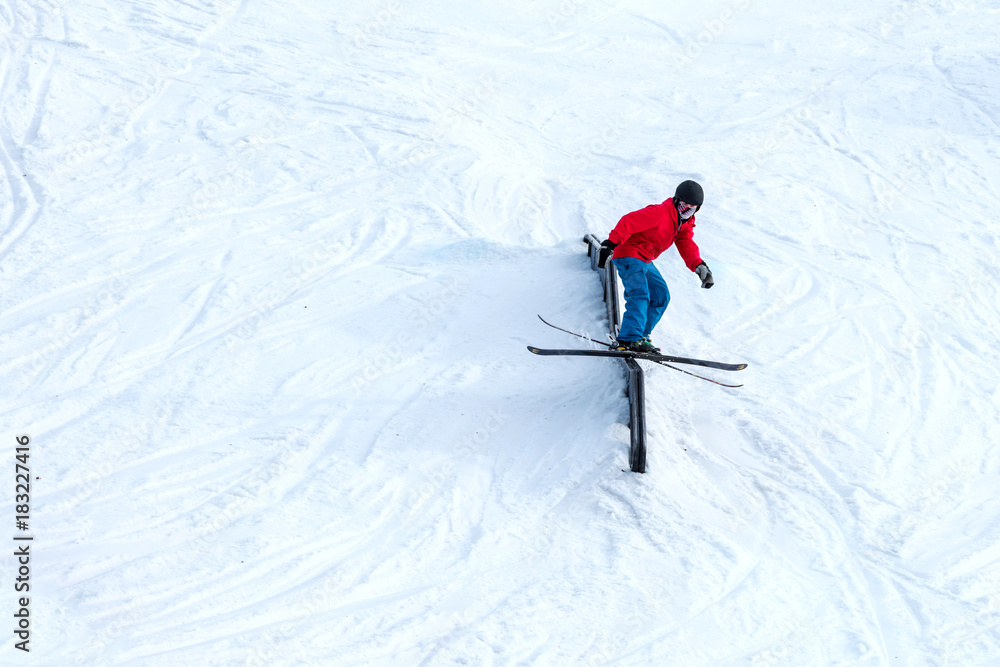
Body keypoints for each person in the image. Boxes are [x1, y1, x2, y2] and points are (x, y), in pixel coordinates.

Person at [597, 180, 714, 354]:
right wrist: (610, 244)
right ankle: (629, 338)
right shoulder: (660, 212)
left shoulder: (684, 222)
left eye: (692, 206)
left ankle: (641, 336)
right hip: (629, 253)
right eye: (684, 204)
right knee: (640, 293)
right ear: (676, 200)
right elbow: (629, 221)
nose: (687, 208)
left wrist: (698, 265)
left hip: (645, 259)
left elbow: (685, 242)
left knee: (661, 295)